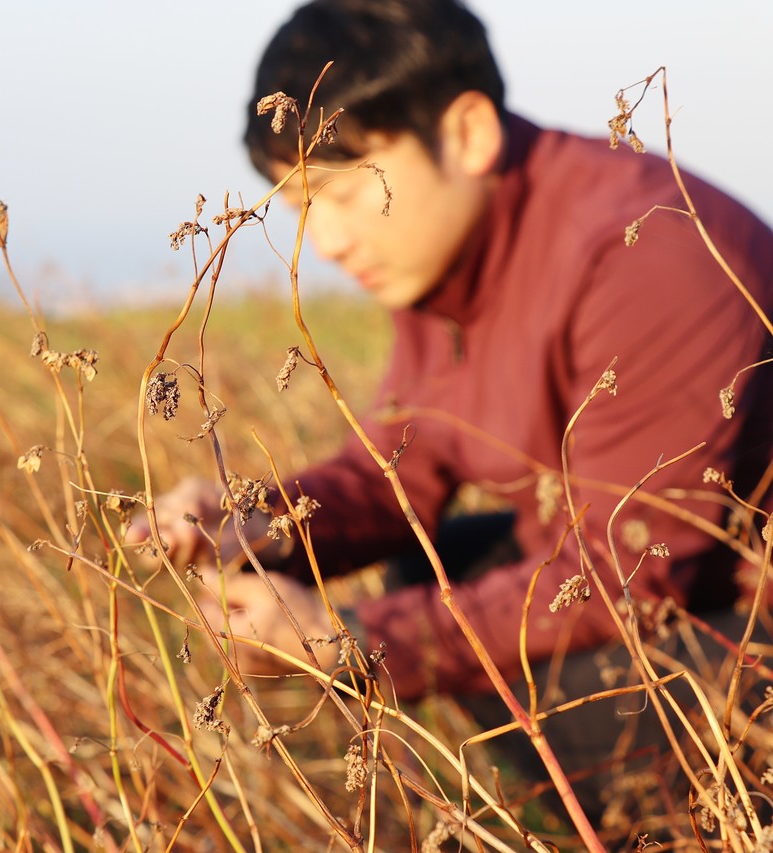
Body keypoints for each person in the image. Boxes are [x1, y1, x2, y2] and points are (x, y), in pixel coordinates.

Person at [129, 0, 773, 833]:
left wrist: (351, 642)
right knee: (438, 569)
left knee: (464, 619)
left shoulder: (647, 249)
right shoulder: (448, 257)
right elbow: (397, 474)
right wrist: (247, 521)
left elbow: (625, 575)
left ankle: (678, 829)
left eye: (340, 192)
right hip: (647, 584)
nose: (322, 244)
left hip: (733, 624)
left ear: (468, 134)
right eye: (297, 209)